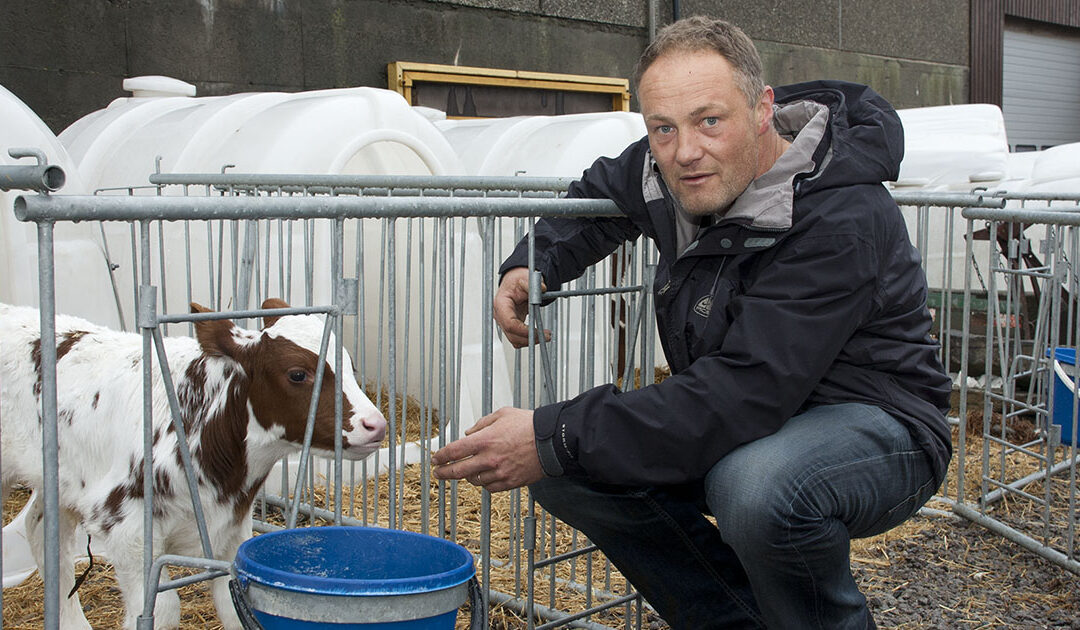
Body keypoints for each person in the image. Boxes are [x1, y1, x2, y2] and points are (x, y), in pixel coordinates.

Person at [432, 15, 952, 630]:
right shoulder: (669, 167)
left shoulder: (840, 215)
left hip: (876, 422)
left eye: (710, 121)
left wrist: (556, 430)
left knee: (756, 488)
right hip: (749, 410)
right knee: (565, 468)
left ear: (762, 109)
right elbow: (598, 199)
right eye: (662, 128)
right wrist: (532, 262)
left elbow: (746, 389)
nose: (685, 151)